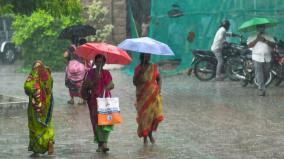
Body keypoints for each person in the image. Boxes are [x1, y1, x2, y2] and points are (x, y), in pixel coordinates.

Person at [81, 54, 114, 152]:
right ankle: (100, 143)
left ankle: (105, 143)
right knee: (96, 122)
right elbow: (86, 85)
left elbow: (112, 84)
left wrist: (105, 88)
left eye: (102, 62)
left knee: (106, 122)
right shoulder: (90, 73)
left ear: (104, 63)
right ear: (95, 62)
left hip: (105, 100)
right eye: (98, 61)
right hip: (93, 102)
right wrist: (93, 82)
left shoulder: (106, 73)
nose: (100, 63)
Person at [24, 60, 54, 156]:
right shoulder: (47, 75)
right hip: (46, 106)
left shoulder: (32, 76)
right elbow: (50, 86)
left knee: (35, 127)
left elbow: (27, 87)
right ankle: (49, 140)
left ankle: (36, 149)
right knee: (47, 124)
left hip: (35, 108)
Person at [133, 53, 164, 144]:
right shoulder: (138, 68)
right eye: (146, 55)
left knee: (152, 117)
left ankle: (149, 134)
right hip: (142, 97)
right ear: (142, 56)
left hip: (153, 96)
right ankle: (145, 137)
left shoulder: (153, 67)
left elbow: (159, 78)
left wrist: (159, 89)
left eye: (149, 56)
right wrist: (140, 73)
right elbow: (134, 82)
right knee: (144, 117)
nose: (148, 57)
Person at [247, 25, 275, 96]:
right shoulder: (252, 36)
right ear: (257, 28)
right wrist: (257, 39)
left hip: (267, 58)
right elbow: (249, 45)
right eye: (259, 27)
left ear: (264, 28)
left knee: (266, 73)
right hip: (257, 57)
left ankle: (262, 85)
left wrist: (265, 40)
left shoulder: (269, 36)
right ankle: (261, 88)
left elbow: (273, 45)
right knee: (259, 73)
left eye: (262, 27)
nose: (261, 28)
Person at [64, 37, 88, 104]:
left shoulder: (71, 48)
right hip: (81, 67)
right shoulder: (83, 47)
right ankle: (82, 99)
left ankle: (72, 99)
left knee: (70, 82)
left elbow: (65, 55)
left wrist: (69, 55)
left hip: (71, 66)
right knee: (81, 83)